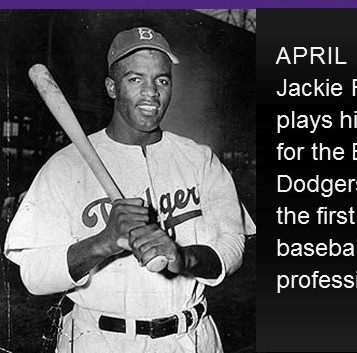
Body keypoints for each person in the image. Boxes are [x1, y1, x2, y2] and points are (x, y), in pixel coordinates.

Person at [4, 26, 256, 351]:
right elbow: (34, 277)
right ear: (112, 87)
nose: (151, 92)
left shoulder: (199, 158)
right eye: (135, 79)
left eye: (162, 80)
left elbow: (232, 248)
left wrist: (183, 257)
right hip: (100, 341)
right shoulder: (65, 167)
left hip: (191, 338)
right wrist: (104, 243)